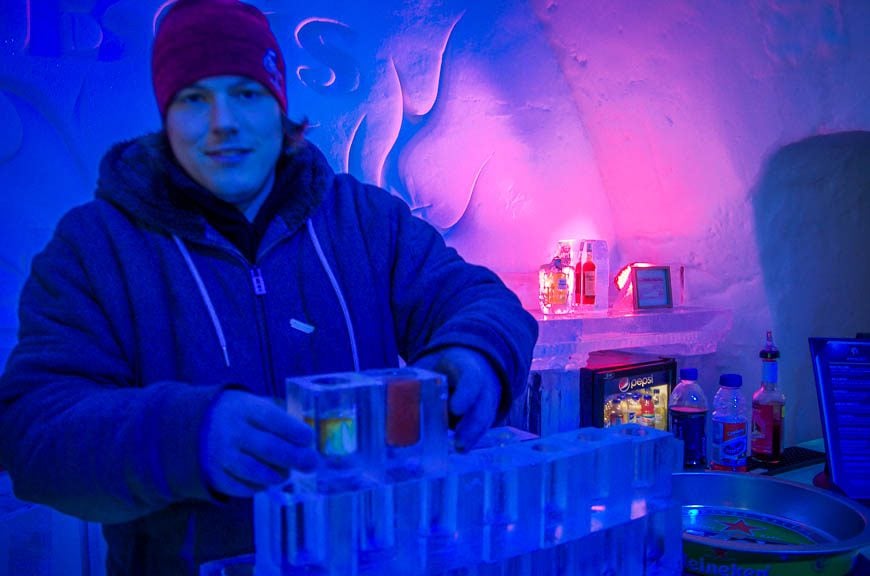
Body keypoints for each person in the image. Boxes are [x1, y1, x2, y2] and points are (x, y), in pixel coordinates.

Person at [0, 0, 537, 574]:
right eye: (194, 99)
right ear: (166, 116)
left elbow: (482, 302)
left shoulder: (366, 221)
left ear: (279, 105)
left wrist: (475, 356)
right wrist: (187, 437)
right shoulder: (95, 248)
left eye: (246, 93)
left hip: (369, 558)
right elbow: (32, 429)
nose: (223, 122)